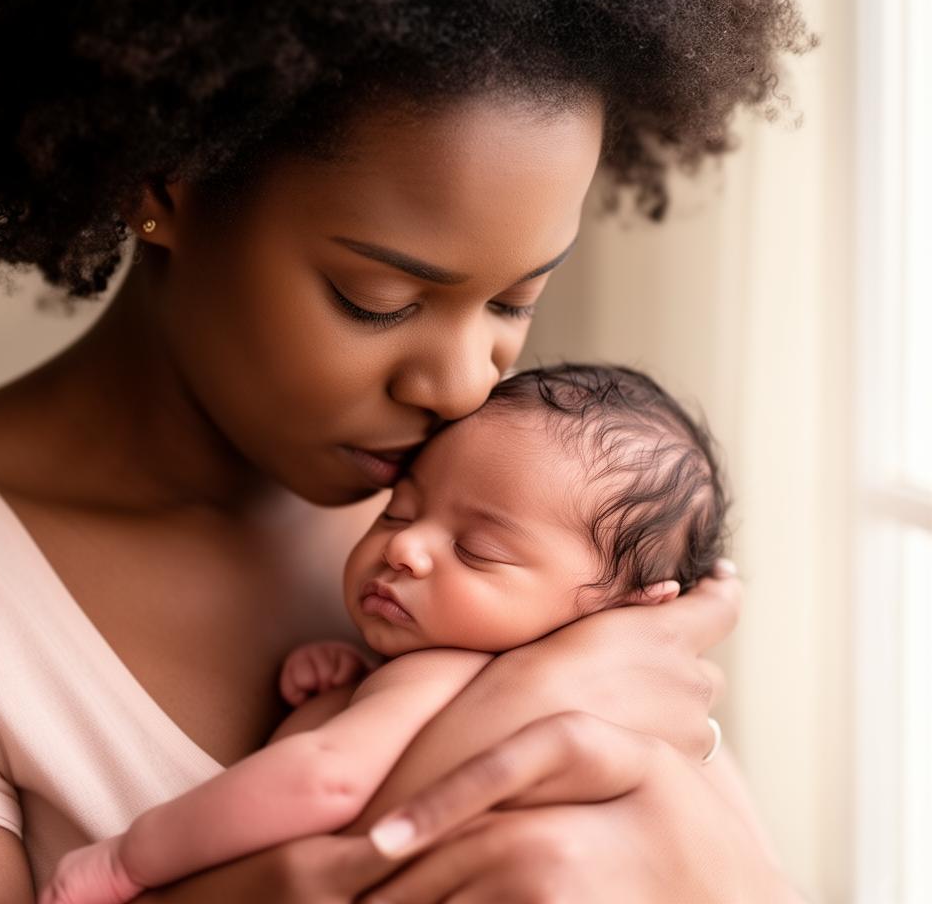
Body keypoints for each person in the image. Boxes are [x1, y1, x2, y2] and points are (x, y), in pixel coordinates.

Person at [0, 0, 815, 900]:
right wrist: (526, 703)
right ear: (161, 183)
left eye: (516, 303)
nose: (463, 383)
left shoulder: (533, 511)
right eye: (376, 298)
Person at [39, 363, 729, 904]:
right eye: (400, 513)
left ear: (620, 611)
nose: (406, 549)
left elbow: (326, 781)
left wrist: (130, 859)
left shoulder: (440, 673)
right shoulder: (543, 695)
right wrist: (354, 681)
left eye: (479, 550)